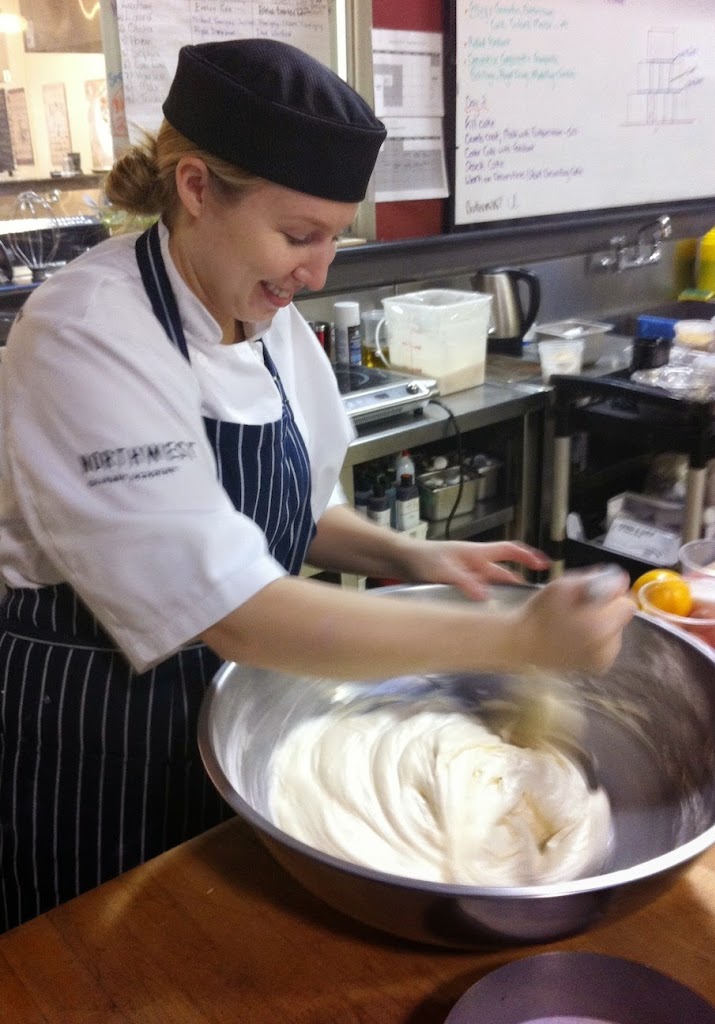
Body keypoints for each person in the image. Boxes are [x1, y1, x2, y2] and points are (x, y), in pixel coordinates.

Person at [0, 38, 635, 932]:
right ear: (193, 189)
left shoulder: (265, 319)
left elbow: (283, 515)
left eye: (335, 235)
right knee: (101, 955)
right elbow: (234, 610)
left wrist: (405, 552)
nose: (318, 271)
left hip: (229, 710)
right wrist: (517, 638)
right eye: (298, 235)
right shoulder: (85, 334)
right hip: (92, 728)